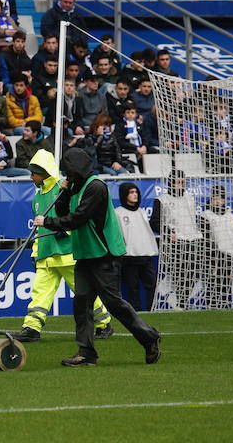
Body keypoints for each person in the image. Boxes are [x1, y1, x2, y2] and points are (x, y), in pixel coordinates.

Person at [33, 147, 162, 367]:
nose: (67, 175)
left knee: (113, 303)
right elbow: (63, 211)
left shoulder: (96, 187)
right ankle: (86, 353)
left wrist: (48, 223)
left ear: (76, 169)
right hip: (85, 254)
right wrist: (64, 191)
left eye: (69, 172)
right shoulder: (76, 186)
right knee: (81, 303)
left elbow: (79, 218)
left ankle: (149, 337)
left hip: (104, 254)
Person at [14, 150, 113, 343]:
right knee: (39, 294)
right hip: (45, 255)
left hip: (67, 253)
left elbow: (76, 217)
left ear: (44, 172)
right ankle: (32, 328)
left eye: (34, 172)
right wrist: (36, 252)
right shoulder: (36, 198)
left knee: (84, 294)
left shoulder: (64, 188)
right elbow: (40, 232)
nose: (31, 176)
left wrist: (63, 229)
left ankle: (104, 323)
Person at [150, 170, 201, 310]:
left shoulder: (190, 199)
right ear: (171, 183)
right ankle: (181, 302)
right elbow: (154, 222)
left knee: (195, 272)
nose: (181, 185)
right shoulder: (161, 200)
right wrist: (168, 231)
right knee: (180, 272)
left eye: (183, 183)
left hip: (193, 239)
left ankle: (180, 300)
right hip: (175, 243)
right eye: (178, 182)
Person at [115, 182, 158, 312]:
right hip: (129, 257)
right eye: (131, 192)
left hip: (145, 255)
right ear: (124, 195)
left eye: (136, 192)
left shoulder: (141, 212)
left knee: (152, 285)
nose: (135, 195)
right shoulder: (118, 213)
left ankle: (152, 310)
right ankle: (136, 311)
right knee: (132, 287)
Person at [198, 186, 233, 309]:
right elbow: (205, 240)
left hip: (231, 255)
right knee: (214, 286)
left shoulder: (230, 215)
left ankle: (225, 309)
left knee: (227, 286)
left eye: (221, 199)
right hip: (216, 256)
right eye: (215, 198)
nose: (218, 202)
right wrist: (212, 260)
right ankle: (211, 309)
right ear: (211, 199)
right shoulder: (205, 215)